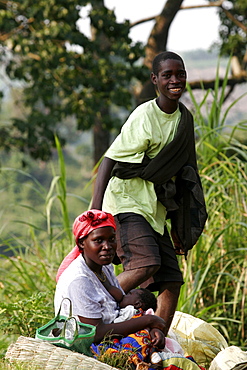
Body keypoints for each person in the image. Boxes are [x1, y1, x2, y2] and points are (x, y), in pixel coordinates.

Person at [91, 51, 207, 336]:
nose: (175, 80)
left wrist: (181, 227)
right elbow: (110, 159)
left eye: (180, 74)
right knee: (146, 263)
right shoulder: (145, 115)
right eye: (167, 75)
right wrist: (95, 210)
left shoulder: (184, 120)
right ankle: (92, 314)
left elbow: (185, 175)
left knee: (171, 280)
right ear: (155, 80)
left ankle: (156, 344)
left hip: (154, 209)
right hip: (125, 200)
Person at [54, 209, 166, 352]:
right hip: (85, 345)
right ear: (82, 243)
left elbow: (117, 306)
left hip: (111, 331)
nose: (107, 247)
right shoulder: (79, 280)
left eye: (112, 239)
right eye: (98, 241)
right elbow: (95, 334)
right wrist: (149, 320)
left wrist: (148, 328)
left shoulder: (103, 267)